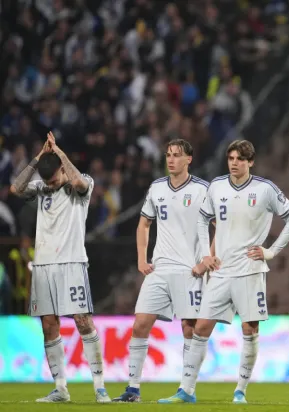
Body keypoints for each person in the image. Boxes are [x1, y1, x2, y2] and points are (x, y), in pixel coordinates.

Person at [158, 139, 289, 404]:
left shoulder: (265, 189)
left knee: (249, 328)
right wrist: (205, 254)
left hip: (249, 270)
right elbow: (203, 219)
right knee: (201, 327)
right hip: (221, 271)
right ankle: (186, 390)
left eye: (239, 159)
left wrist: (270, 251)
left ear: (250, 162)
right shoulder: (217, 186)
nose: (234, 163)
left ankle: (240, 391)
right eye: (231, 158)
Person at [112, 139, 218, 402]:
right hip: (159, 268)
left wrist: (207, 259)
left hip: (189, 270)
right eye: (168, 155)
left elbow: (222, 227)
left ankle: (187, 390)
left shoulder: (203, 190)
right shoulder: (157, 188)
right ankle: (133, 389)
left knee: (189, 329)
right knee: (140, 325)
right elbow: (144, 224)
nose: (171, 160)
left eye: (177, 155)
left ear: (189, 159)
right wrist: (141, 258)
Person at [10, 132, 111, 403]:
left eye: (53, 178)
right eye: (46, 180)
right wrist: (38, 158)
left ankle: (100, 387)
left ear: (62, 170)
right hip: (43, 264)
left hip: (72, 262)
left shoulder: (81, 185)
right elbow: (16, 189)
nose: (50, 184)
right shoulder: (42, 187)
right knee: (48, 325)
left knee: (82, 320)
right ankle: (61, 388)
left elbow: (76, 181)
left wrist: (61, 154)